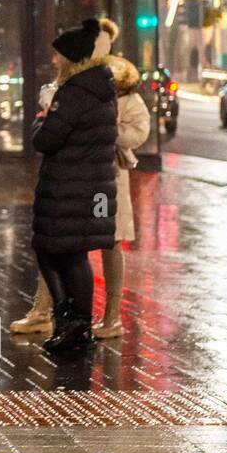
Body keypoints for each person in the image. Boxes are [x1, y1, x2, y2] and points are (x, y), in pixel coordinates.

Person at [12, 17, 118, 334]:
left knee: (60, 254)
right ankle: (74, 323)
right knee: (72, 255)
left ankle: (72, 323)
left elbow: (45, 140)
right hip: (88, 187)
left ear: (71, 58)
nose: (54, 60)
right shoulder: (101, 87)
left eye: (58, 54)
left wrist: (41, 119)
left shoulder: (74, 92)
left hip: (71, 189)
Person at [96, 53, 149, 338]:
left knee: (111, 241)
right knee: (67, 243)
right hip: (86, 173)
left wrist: (107, 127)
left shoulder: (130, 101)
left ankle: (112, 316)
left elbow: (136, 134)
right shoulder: (87, 93)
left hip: (112, 176)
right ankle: (47, 310)